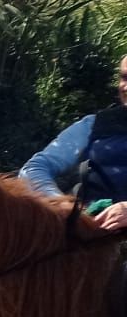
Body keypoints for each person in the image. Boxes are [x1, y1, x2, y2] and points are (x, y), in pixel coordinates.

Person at [16, 51, 127, 234]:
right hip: (89, 236)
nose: (125, 87)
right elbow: (34, 168)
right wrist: (64, 205)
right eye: (124, 77)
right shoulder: (93, 125)